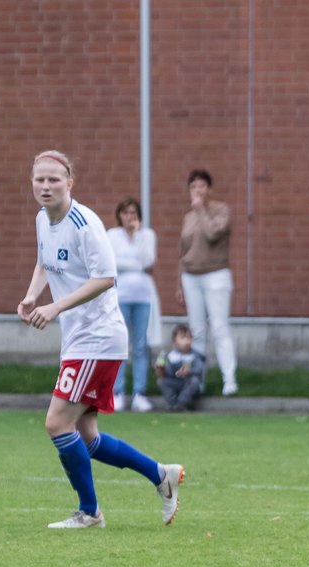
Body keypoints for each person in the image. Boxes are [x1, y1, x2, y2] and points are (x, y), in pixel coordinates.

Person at [18, 149, 185, 529]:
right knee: (86, 435)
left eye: (54, 180)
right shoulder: (43, 220)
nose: (45, 186)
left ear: (69, 183)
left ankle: (90, 512)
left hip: (97, 338)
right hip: (79, 339)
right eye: (39, 179)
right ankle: (161, 475)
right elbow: (45, 261)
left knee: (57, 423)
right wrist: (32, 296)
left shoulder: (84, 223)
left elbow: (106, 278)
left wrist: (55, 307)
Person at [177, 168, 238, 396]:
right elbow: (182, 252)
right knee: (197, 331)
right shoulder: (188, 217)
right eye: (193, 187)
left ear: (209, 189)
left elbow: (214, 234)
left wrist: (201, 209)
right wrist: (178, 284)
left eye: (201, 186)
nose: (197, 190)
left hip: (216, 275)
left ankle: (229, 380)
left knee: (220, 327)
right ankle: (197, 380)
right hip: (191, 277)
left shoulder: (221, 210)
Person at [106, 196, 158, 413]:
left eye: (134, 214)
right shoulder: (112, 235)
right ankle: (117, 391)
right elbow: (112, 263)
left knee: (140, 346)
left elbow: (147, 262)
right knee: (120, 344)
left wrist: (137, 237)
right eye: (126, 213)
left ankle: (139, 392)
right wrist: (134, 264)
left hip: (143, 297)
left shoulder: (147, 235)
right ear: (120, 215)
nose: (130, 217)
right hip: (120, 297)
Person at [155, 323, 207, 411]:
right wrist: (161, 370)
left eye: (189, 338)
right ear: (174, 341)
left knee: (194, 382)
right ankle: (173, 403)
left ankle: (180, 404)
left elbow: (199, 369)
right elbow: (169, 373)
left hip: (189, 383)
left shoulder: (195, 356)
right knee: (161, 381)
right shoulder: (171, 356)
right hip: (176, 383)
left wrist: (189, 371)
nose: (187, 341)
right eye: (183, 338)